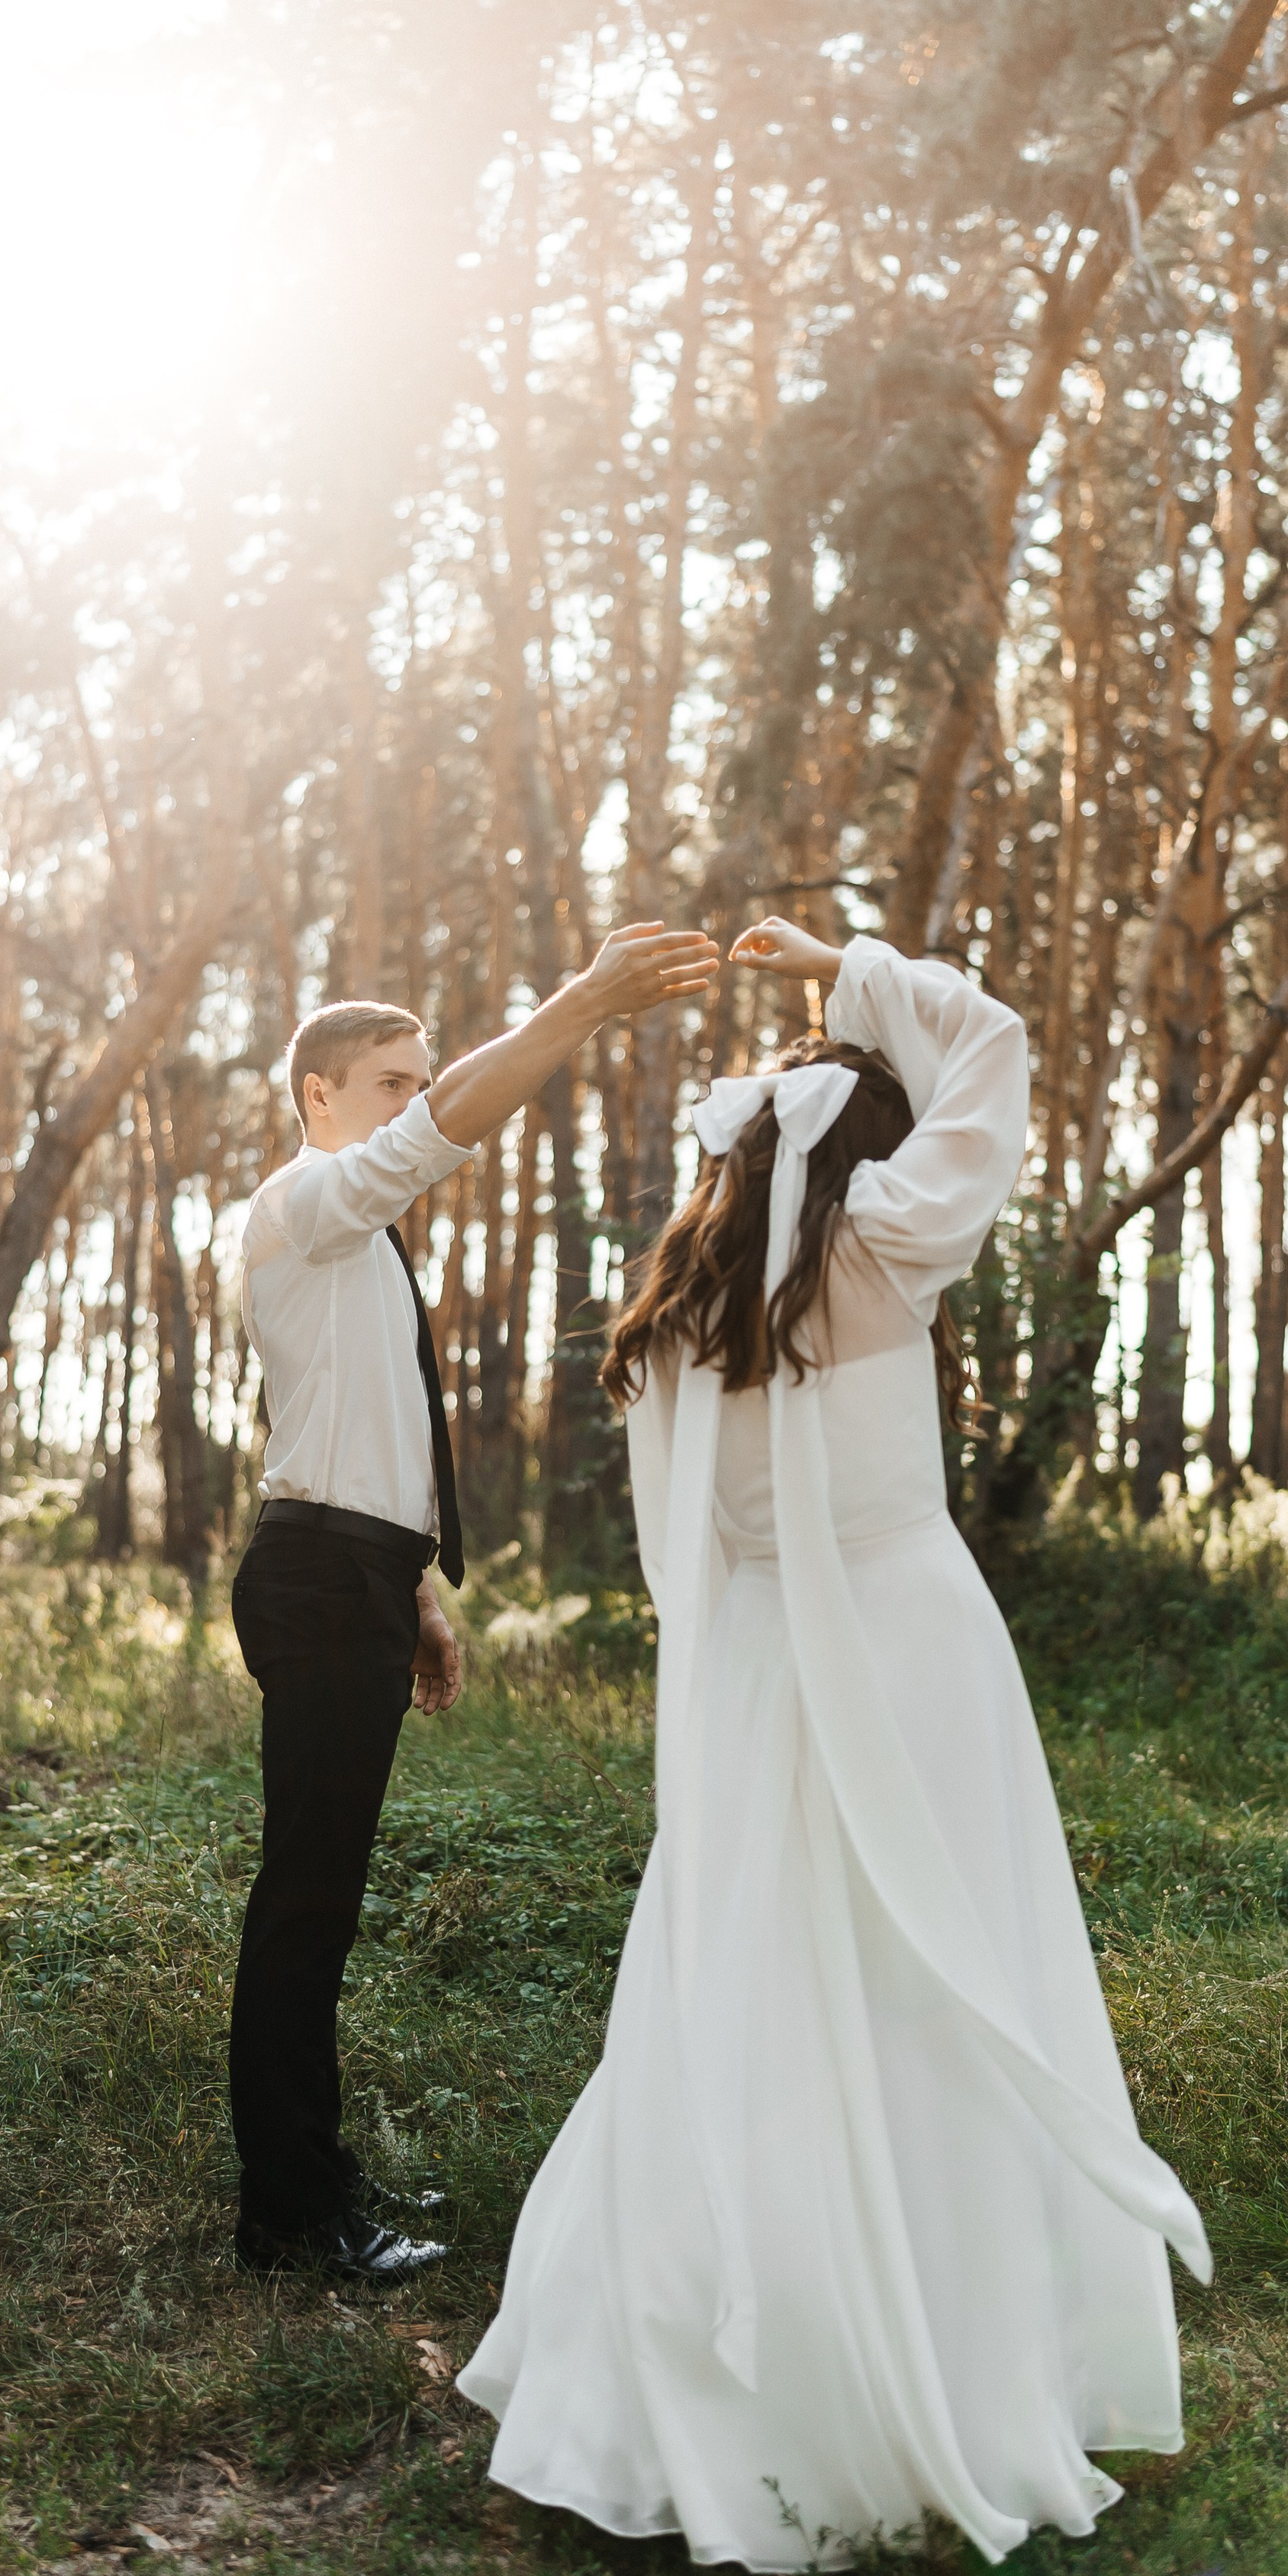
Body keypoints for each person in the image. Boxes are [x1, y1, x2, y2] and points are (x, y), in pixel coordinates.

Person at [458, 917, 1211, 2568]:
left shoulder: (672, 1314)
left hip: (756, 1674)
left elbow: (697, 1562)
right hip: (912, 1652)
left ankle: (714, 2364)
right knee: (938, 1981)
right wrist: (844, 962)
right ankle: (952, 2354)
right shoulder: (882, 1247)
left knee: (749, 1983)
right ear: (865, 1155)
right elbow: (994, 1044)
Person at [230, 918, 718, 2284]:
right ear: (320, 1097)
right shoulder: (303, 1203)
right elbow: (431, 1140)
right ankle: (288, 2216)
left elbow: (365, 1429)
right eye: (393, 1080)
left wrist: (423, 1584)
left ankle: (309, 2177)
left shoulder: (362, 1245)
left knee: (323, 1896)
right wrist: (582, 1004)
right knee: (307, 1902)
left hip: (361, 1571)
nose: (416, 1099)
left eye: (418, 1075)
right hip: (319, 1575)